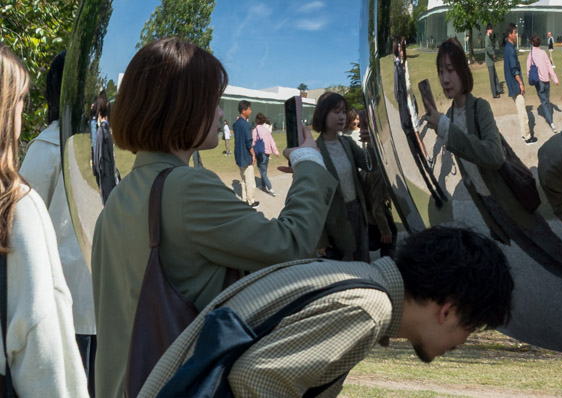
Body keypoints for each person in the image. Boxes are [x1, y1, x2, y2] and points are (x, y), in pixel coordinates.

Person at [92, 38, 333, 398]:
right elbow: (290, 244)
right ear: (182, 106)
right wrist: (309, 162)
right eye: (212, 101)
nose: (221, 113)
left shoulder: (118, 198)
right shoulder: (186, 187)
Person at [136, 225, 513, 398]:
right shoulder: (367, 307)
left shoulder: (355, 280)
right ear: (448, 310)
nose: (462, 343)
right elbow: (255, 381)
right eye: (472, 328)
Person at [418, 39, 562, 293]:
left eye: (450, 69)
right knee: (534, 252)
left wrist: (447, 130)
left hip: (511, 195)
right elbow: (469, 173)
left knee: (548, 242)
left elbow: (494, 155)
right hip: (490, 204)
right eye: (440, 71)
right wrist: (489, 218)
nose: (445, 79)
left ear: (463, 71)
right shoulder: (447, 118)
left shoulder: (479, 108)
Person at [3, 45, 88, 397]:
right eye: (21, 100)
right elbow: (46, 365)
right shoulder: (21, 201)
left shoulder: (87, 145)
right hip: (54, 299)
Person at [313, 92, 392, 263]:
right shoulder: (314, 150)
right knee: (345, 266)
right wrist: (321, 239)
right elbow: (314, 200)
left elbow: (369, 165)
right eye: (336, 112)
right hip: (336, 218)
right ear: (323, 114)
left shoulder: (347, 142)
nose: (342, 116)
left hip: (358, 211)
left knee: (363, 259)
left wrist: (370, 143)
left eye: (344, 111)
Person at [502, 25, 533, 143]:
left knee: (521, 111)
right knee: (523, 112)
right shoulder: (510, 49)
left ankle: (524, 134)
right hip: (515, 84)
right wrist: (521, 83)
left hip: (512, 83)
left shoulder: (508, 47)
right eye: (514, 33)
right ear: (509, 34)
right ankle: (528, 137)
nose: (516, 35)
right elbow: (514, 69)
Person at [89, 95, 118, 203]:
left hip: (106, 175)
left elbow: (98, 160)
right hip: (108, 173)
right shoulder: (105, 131)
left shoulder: (101, 131)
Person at [526, 35, 557, 135]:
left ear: (532, 43)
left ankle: (551, 122)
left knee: (544, 102)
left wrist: (529, 77)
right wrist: (555, 78)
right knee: (547, 99)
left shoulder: (530, 54)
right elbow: (549, 66)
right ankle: (550, 117)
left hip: (538, 81)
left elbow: (528, 68)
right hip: (546, 80)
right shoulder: (543, 53)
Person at [231, 101, 257, 204]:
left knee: (243, 179)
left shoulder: (236, 124)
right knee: (250, 180)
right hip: (246, 156)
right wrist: (253, 155)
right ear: (243, 111)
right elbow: (248, 143)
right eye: (249, 109)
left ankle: (244, 198)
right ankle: (251, 201)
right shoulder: (246, 125)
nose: (251, 111)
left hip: (238, 155)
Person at [252, 115, 277, 194]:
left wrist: (252, 154)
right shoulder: (266, 130)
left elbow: (253, 142)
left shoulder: (255, 130)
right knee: (264, 170)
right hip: (267, 153)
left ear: (256, 121)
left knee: (263, 172)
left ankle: (270, 188)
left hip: (260, 153)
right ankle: (263, 185)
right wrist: (276, 151)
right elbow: (272, 141)